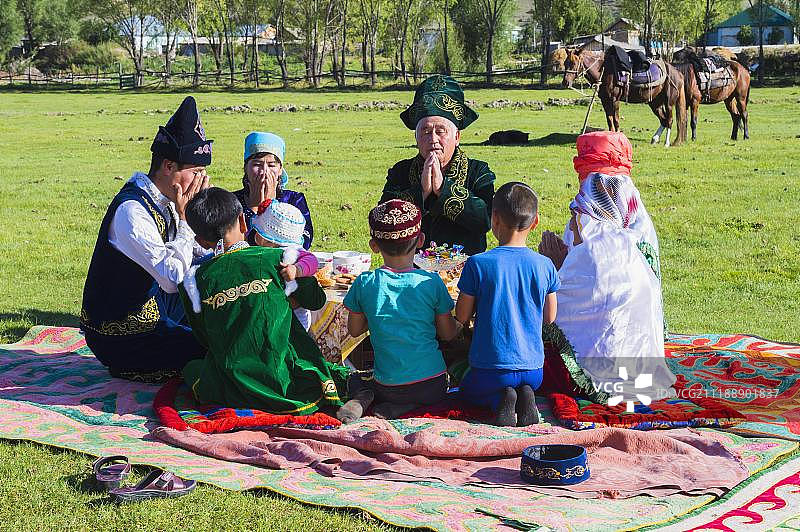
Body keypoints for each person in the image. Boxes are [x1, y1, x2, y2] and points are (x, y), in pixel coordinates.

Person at [80, 96, 211, 382]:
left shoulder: (168, 201)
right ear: (168, 166)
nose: (203, 180)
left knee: (216, 287)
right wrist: (187, 220)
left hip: (155, 306)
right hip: (121, 335)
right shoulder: (133, 211)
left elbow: (197, 255)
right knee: (214, 350)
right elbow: (171, 279)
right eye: (196, 172)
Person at [179, 187, 344, 413]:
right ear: (243, 221)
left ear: (201, 241)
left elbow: (204, 337)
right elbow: (316, 300)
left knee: (192, 368)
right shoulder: (280, 260)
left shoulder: (192, 281)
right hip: (287, 384)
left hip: (232, 387)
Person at [538, 131, 675, 397]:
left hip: (601, 364)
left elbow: (574, 299)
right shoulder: (640, 223)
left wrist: (554, 267)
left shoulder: (588, 226)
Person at [337, 199, 461, 422]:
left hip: (388, 386)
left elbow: (354, 331)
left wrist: (375, 317)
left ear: (374, 245)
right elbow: (448, 334)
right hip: (431, 384)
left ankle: (363, 397)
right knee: (449, 382)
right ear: (420, 240)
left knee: (357, 379)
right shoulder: (431, 282)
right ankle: (409, 407)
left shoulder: (366, 282)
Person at [455, 182, 559, 427]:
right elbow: (550, 317)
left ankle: (500, 399)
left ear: (494, 219)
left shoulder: (478, 263)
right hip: (534, 371)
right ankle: (525, 395)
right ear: (535, 222)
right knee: (521, 383)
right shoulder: (545, 265)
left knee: (465, 389)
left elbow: (461, 315)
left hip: (489, 370)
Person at [380, 75, 495, 256]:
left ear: (457, 137)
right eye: (425, 131)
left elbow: (486, 220)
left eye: (441, 131)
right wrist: (421, 192)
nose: (433, 139)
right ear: (416, 138)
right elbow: (383, 221)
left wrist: (443, 189)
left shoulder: (478, 172)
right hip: (411, 270)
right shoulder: (400, 172)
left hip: (463, 274)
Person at [233, 132, 313, 250]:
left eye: (271, 165)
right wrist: (255, 209)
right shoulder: (231, 201)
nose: (264, 171)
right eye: (257, 164)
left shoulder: (294, 200)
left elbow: (305, 241)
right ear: (246, 168)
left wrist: (269, 207)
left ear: (280, 170)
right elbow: (233, 243)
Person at [250, 199, 319, 330]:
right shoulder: (264, 249)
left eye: (257, 231)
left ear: (267, 239)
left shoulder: (292, 252)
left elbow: (312, 261)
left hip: (297, 319)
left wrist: (297, 269)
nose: (253, 234)